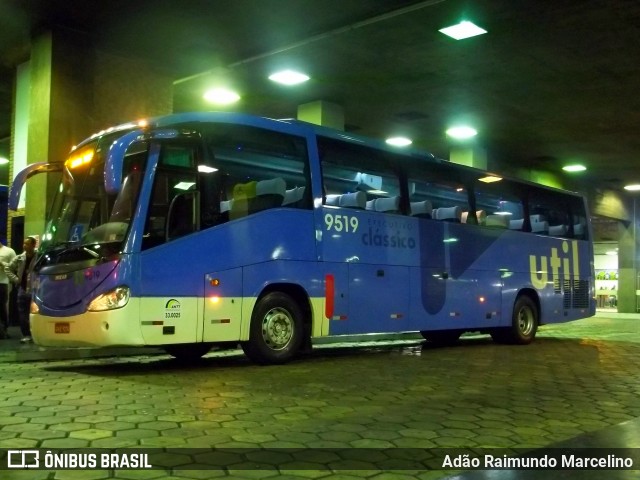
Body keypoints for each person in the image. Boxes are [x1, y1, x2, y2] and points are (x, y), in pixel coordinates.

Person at [5, 237, 37, 343]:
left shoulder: (39, 256)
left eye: (27, 244)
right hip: (22, 289)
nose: (24, 246)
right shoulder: (20, 258)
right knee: (22, 312)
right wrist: (16, 280)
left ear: (33, 245)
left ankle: (35, 334)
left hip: (35, 289)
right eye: (24, 243)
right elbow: (8, 268)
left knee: (34, 312)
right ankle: (26, 334)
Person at [0, 241, 16, 339]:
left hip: (2, 282)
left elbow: (14, 267)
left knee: (1, 307)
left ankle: (4, 330)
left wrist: (2, 264)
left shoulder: (9, 251)